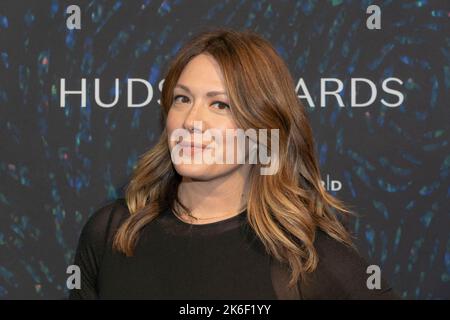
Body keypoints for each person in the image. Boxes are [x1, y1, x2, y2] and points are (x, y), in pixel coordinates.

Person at [69, 27, 399, 299]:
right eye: (182, 99)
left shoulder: (309, 262)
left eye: (221, 105)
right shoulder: (112, 232)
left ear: (262, 127)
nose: (192, 120)